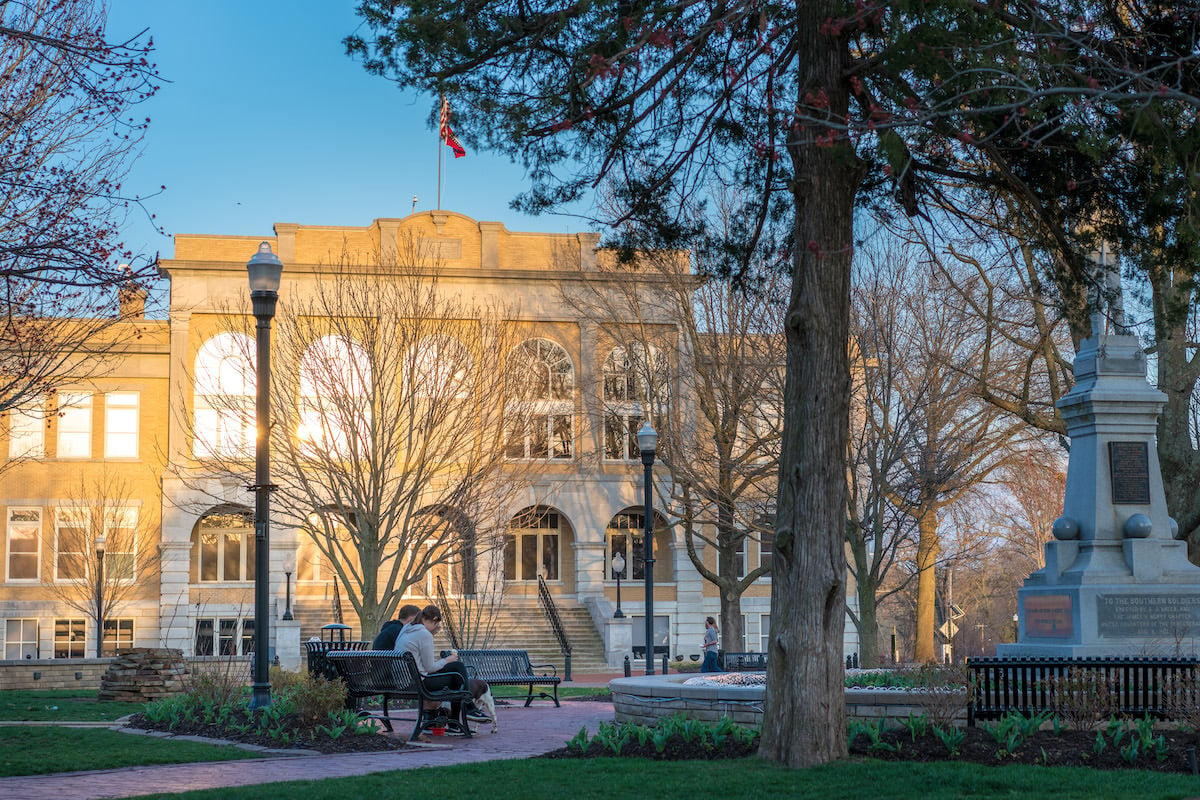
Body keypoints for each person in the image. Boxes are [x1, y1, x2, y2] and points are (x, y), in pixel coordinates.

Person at [394, 604, 491, 727]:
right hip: (417, 683)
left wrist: (442, 662)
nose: (437, 628)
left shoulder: (407, 628)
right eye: (437, 625)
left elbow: (420, 660)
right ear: (435, 619)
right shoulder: (424, 634)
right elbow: (429, 668)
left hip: (403, 681)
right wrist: (447, 660)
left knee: (456, 670)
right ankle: (465, 713)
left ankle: (465, 713)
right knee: (457, 670)